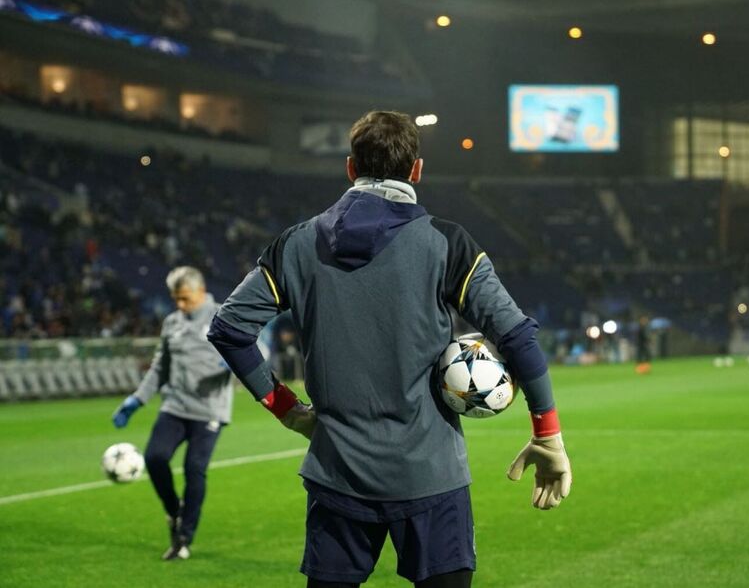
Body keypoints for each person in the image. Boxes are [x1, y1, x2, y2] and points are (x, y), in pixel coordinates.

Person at [207, 111, 572, 588]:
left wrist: (289, 410)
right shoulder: (448, 244)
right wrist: (547, 435)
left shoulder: (295, 245)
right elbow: (517, 337)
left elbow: (229, 327)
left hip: (336, 474)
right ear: (416, 170)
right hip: (431, 476)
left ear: (350, 167)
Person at [111, 266, 232, 561]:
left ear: (201, 292)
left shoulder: (224, 315)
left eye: (185, 299)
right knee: (154, 457)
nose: (180, 305)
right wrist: (137, 400)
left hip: (209, 410)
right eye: (175, 299)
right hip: (175, 406)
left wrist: (235, 364)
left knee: (194, 469)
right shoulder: (172, 323)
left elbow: (259, 348)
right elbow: (160, 367)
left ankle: (184, 536)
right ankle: (173, 511)